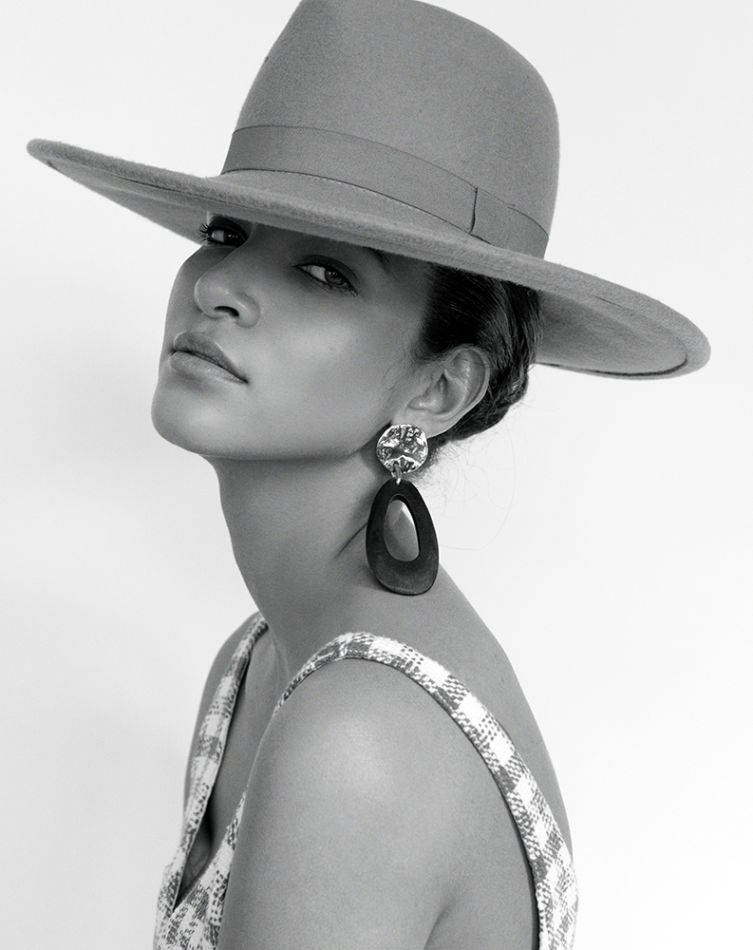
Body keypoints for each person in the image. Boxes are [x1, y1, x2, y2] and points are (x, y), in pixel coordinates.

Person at [26, 1, 709, 948]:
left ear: (437, 388)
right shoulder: (258, 659)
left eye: (325, 272)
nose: (219, 287)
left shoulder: (359, 736)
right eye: (225, 234)